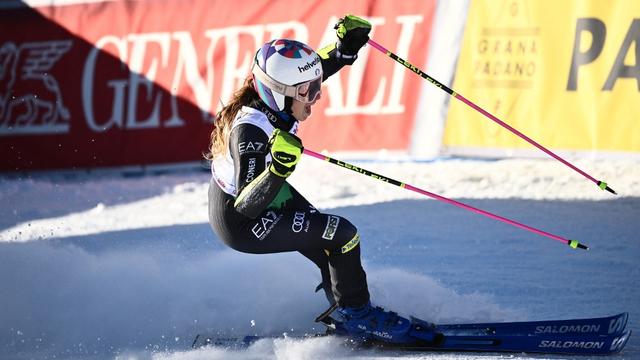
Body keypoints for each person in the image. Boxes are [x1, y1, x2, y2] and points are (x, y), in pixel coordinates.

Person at [206, 15, 414, 343]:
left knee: (329, 244)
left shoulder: (281, 99)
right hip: (241, 218)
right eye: (308, 91)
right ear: (278, 94)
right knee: (342, 234)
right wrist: (277, 169)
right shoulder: (250, 132)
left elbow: (319, 68)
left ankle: (349, 312)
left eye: (316, 87)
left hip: (265, 193)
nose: (316, 97)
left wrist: (344, 51)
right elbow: (246, 205)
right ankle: (359, 318)